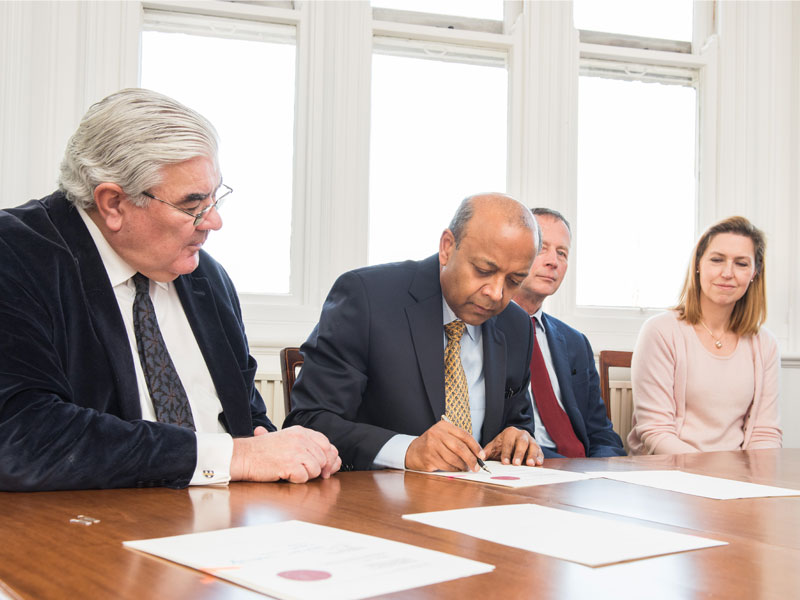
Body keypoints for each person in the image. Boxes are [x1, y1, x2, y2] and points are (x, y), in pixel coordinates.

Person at [0, 88, 340, 491]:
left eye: (216, 198)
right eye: (192, 204)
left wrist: (281, 450)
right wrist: (236, 456)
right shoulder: (15, 256)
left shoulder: (206, 278)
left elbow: (247, 423)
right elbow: (21, 436)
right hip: (88, 533)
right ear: (113, 203)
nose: (213, 222)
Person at [284, 193, 545, 472]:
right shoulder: (368, 298)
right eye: (483, 270)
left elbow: (517, 421)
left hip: (482, 502)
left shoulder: (515, 325)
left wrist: (518, 438)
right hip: (378, 502)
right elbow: (310, 421)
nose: (496, 293)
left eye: (514, 280)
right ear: (447, 247)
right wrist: (406, 450)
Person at [629, 216, 782, 454]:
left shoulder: (765, 344)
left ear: (755, 273)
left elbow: (765, 433)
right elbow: (655, 431)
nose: (727, 273)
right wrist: (711, 476)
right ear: (698, 264)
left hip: (736, 478)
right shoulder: (660, 331)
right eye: (717, 260)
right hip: (668, 472)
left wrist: (753, 480)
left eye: (741, 263)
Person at [512, 208, 625, 458]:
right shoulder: (482, 333)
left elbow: (601, 433)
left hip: (584, 473)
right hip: (531, 469)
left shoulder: (575, 342)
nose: (553, 261)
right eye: (542, 247)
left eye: (561, 253)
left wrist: (612, 470)